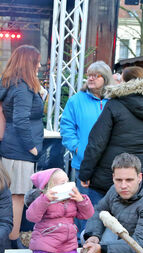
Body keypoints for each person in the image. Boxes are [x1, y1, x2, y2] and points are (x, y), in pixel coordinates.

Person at [79, 66, 143, 202]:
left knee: (99, 218)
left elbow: (97, 143)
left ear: (126, 82)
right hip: (139, 174)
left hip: (110, 175)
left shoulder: (114, 104)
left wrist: (85, 173)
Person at [25, 168, 94, 253]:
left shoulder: (71, 199)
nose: (68, 184)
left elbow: (88, 215)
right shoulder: (42, 199)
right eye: (63, 183)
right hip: (44, 244)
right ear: (50, 187)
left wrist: (81, 200)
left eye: (68, 181)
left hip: (67, 245)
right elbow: (31, 216)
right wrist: (45, 200)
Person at [0, 45, 44, 248]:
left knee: (14, 196)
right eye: (37, 61)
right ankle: (12, 240)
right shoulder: (22, 88)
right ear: (28, 63)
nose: (40, 65)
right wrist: (31, 147)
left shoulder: (16, 85)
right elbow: (21, 121)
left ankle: (10, 238)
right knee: (16, 197)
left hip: (14, 149)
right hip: (20, 151)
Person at [60, 61, 112, 212]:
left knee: (107, 209)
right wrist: (77, 148)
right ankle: (82, 236)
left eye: (96, 76)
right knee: (85, 208)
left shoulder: (115, 101)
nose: (91, 78)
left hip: (109, 165)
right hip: (84, 163)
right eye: (89, 75)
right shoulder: (76, 100)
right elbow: (66, 128)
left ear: (106, 78)